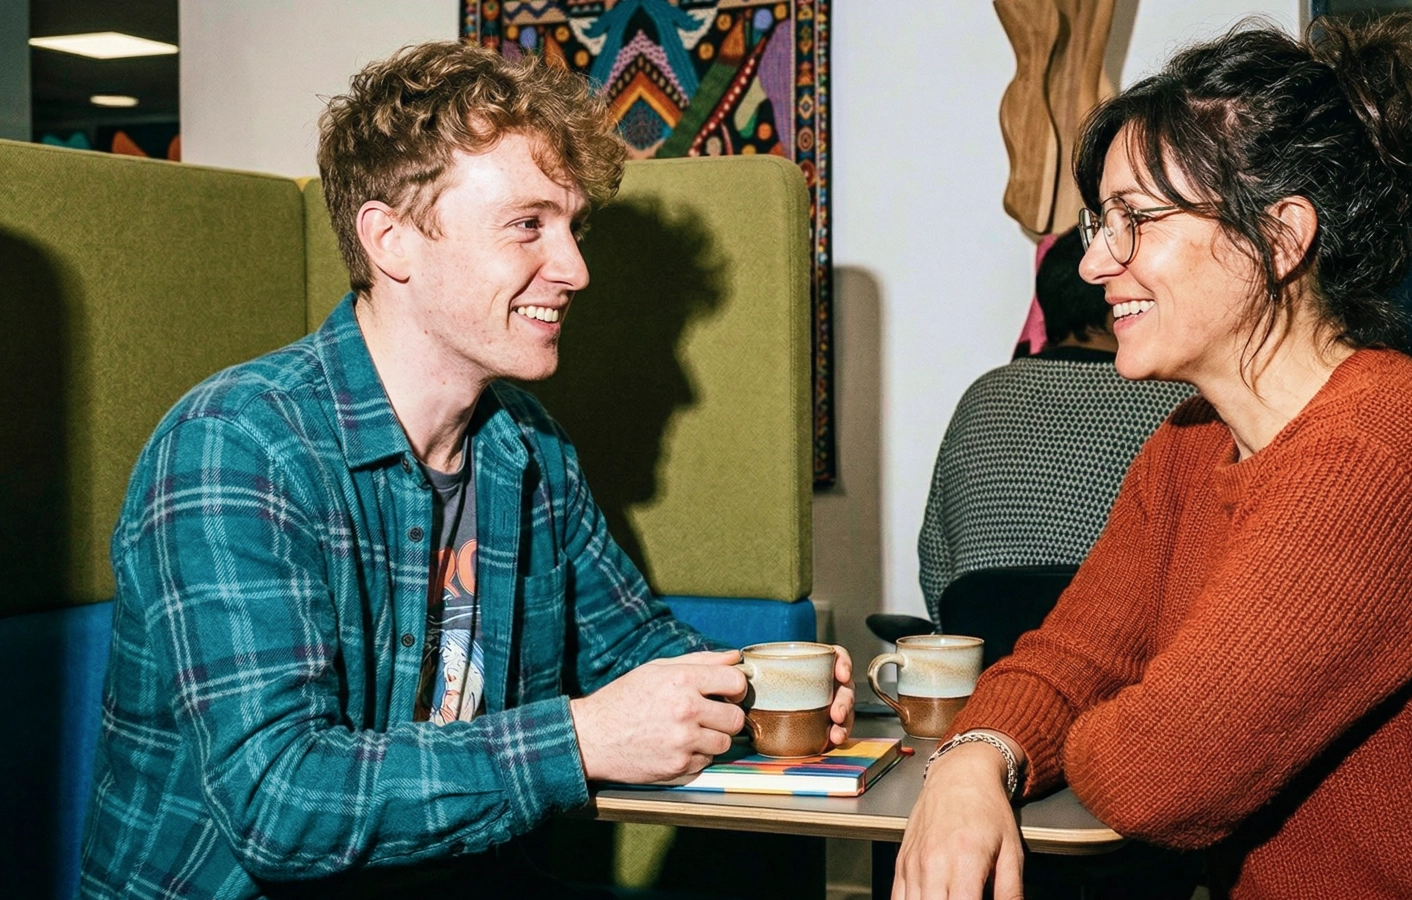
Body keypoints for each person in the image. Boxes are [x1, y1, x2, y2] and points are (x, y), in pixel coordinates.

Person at [75, 42, 852, 899]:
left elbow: (633, 652)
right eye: (528, 224)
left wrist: (762, 686)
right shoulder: (236, 445)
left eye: (571, 225)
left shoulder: (526, 445)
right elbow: (281, 801)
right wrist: (582, 740)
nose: (576, 269)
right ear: (392, 239)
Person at [894, 15, 1412, 900]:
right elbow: (1060, 662)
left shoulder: (1384, 455)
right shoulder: (1190, 441)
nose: (1098, 262)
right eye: (1102, 223)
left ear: (1283, 238)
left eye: (1134, 220)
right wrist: (972, 763)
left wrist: (1111, 714)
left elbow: (1157, 779)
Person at [917, 229, 1192, 630]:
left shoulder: (984, 395)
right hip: (1125, 664)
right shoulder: (1179, 403)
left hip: (988, 667)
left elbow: (936, 563)